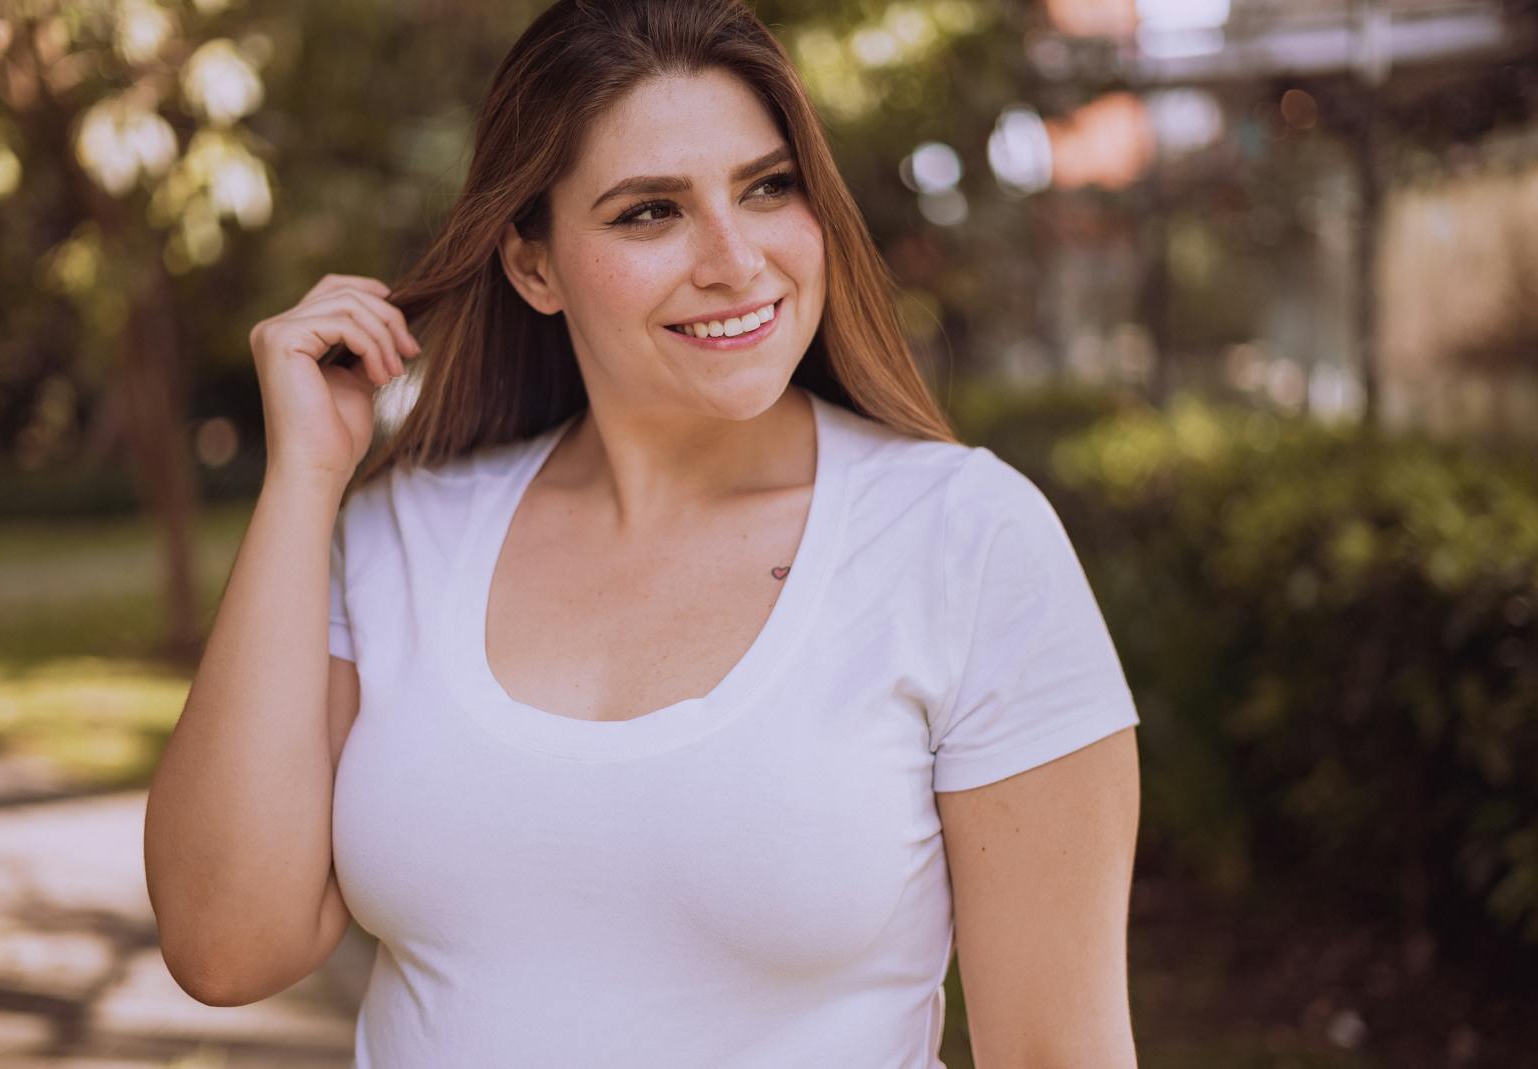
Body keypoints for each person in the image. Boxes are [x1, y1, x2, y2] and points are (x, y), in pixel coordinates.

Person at [143, 1, 1143, 1065]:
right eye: (648, 213)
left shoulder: (963, 540)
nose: (733, 258)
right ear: (533, 264)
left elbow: (1056, 1049)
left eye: (767, 188)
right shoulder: (404, 532)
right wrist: (304, 478)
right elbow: (224, 943)